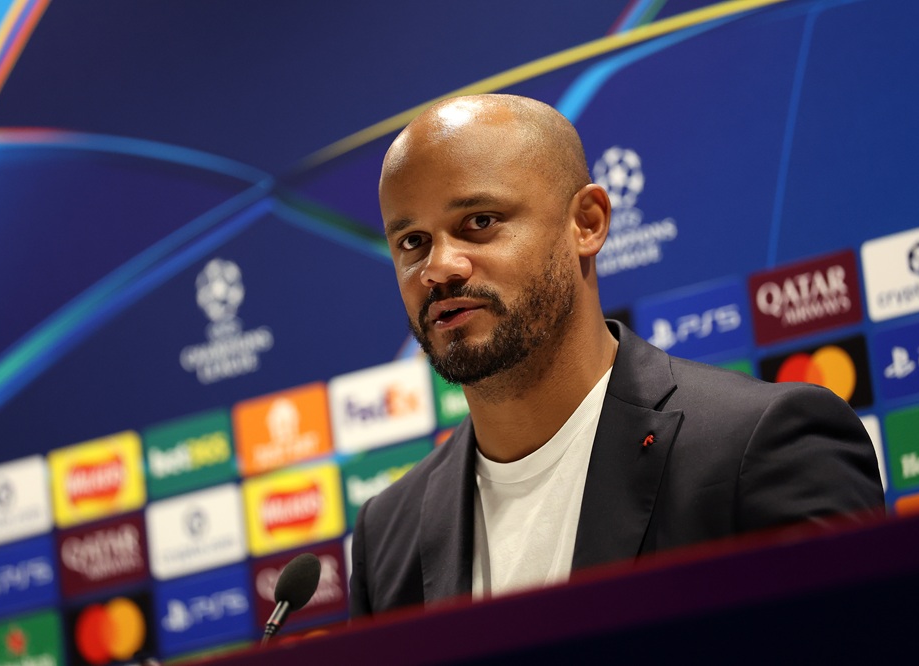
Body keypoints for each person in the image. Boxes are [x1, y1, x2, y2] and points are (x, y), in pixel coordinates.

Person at [349, 94, 884, 617]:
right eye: (413, 242)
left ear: (587, 222)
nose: (439, 267)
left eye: (480, 222)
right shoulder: (389, 534)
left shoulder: (765, 446)